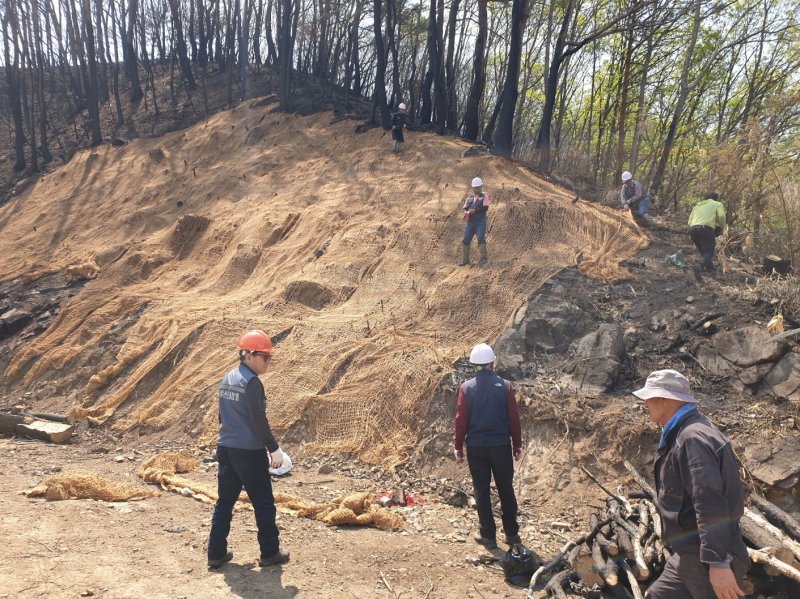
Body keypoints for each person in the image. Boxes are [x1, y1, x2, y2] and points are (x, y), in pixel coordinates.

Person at [633, 369, 748, 599]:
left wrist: (718, 563)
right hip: (687, 554)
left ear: (665, 399)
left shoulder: (691, 438)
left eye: (649, 397)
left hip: (704, 558)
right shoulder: (686, 430)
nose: (645, 403)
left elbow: (709, 501)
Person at [207, 329, 290, 569]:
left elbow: (221, 415)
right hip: (248, 453)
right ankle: (270, 552)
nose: (268, 362)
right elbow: (258, 419)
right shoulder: (251, 383)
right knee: (263, 502)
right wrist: (273, 448)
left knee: (224, 502)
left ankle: (216, 553)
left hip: (226, 448)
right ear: (249, 355)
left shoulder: (228, 378)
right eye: (265, 357)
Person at [454, 343, 523, 550]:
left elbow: (460, 420)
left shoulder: (466, 388)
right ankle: (511, 535)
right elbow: (514, 419)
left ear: (474, 365)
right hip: (501, 446)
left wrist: (458, 446)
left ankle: (488, 536)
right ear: (492, 362)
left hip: (477, 448)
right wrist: (517, 445)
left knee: (481, 491)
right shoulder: (505, 386)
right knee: (506, 489)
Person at [688, 192, 726, 275]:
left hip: (692, 230)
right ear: (716, 199)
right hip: (706, 229)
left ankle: (711, 270)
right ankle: (699, 265)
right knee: (709, 252)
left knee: (704, 251)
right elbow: (722, 216)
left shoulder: (697, 206)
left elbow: (689, 222)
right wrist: (721, 228)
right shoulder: (717, 204)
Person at [461, 177, 490, 266]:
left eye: (478, 187)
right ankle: (465, 260)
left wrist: (475, 211)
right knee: (465, 239)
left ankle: (483, 258)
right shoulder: (469, 197)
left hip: (480, 221)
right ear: (472, 188)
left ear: (481, 187)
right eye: (475, 187)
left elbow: (485, 208)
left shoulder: (484, 197)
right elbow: (465, 207)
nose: (476, 189)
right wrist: (466, 211)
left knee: (481, 237)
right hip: (470, 222)